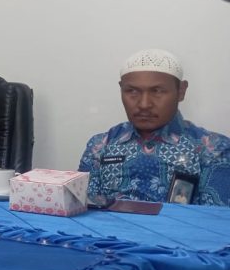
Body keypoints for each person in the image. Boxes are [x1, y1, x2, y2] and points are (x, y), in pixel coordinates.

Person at [78, 49, 230, 205]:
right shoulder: (100, 146)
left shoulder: (213, 149)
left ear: (181, 91)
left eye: (157, 91)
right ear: (121, 89)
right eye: (132, 91)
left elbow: (216, 216)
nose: (144, 104)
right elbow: (83, 208)